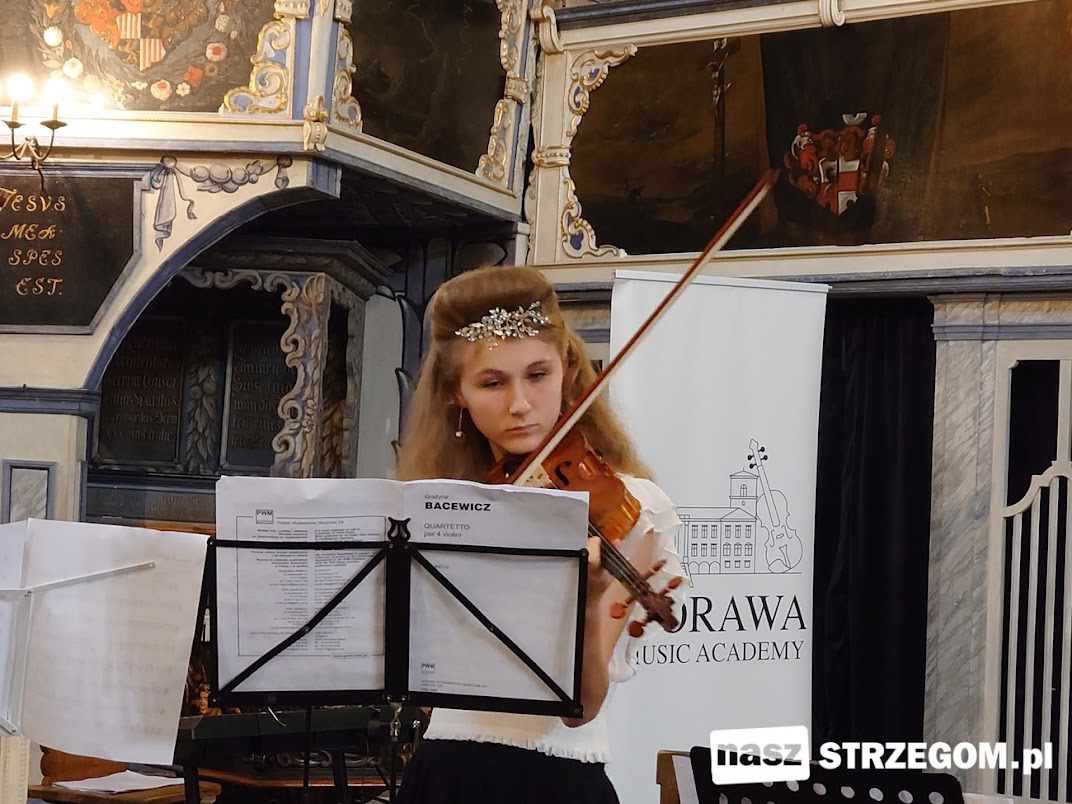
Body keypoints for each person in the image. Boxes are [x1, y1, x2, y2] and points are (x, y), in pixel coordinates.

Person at [394, 265, 688, 804]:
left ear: (568, 370)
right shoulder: (435, 506)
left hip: (555, 778)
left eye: (537, 374)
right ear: (456, 393)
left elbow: (581, 710)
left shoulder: (631, 506)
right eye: (492, 383)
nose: (520, 404)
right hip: (442, 772)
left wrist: (591, 602)